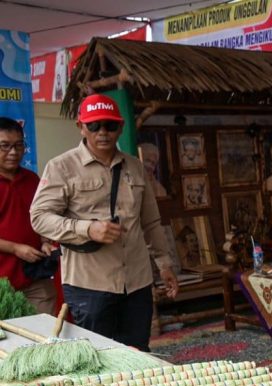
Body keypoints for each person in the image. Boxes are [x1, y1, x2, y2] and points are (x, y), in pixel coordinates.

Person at [30, 94, 178, 351]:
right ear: (81, 127)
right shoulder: (61, 167)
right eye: (94, 125)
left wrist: (165, 265)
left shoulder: (135, 166)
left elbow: (151, 222)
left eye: (109, 125)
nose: (102, 132)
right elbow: (39, 218)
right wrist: (87, 229)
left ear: (120, 127)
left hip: (137, 281)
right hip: (90, 284)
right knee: (97, 356)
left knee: (138, 353)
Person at [0, 117, 56, 315]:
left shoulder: (32, 179)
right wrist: (15, 248)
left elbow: (43, 217)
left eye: (18, 145)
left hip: (35, 275)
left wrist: (45, 241)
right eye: (5, 146)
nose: (13, 152)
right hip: (2, 280)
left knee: (45, 329)